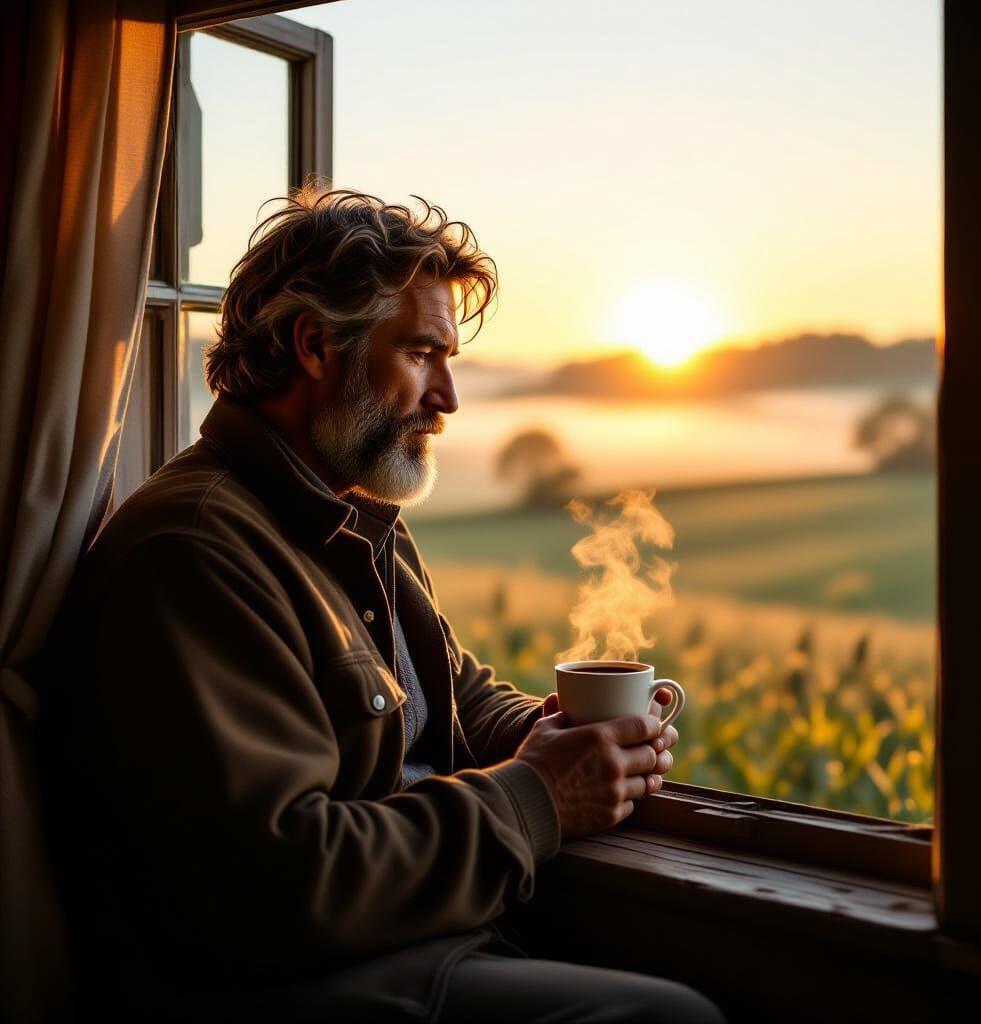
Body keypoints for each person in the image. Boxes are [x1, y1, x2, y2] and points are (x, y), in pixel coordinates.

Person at [40, 187, 725, 1024]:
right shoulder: (194, 553)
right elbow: (284, 884)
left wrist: (570, 739)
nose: (448, 398)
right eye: (423, 354)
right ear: (316, 344)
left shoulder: (352, 517)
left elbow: (454, 694)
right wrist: (539, 797)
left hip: (428, 942)